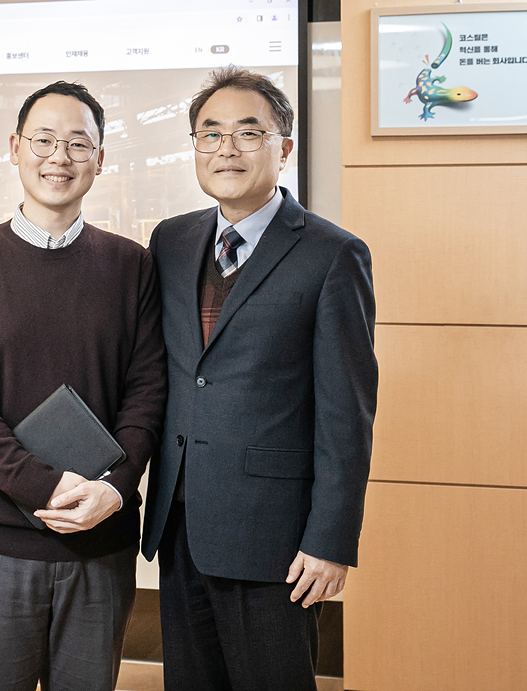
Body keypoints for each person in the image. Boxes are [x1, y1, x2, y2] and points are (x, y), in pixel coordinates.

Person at [141, 66, 377, 690]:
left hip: (275, 536)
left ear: (284, 148)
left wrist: (330, 540)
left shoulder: (332, 253)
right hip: (180, 522)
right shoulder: (171, 241)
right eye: (210, 133)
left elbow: (347, 414)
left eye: (249, 132)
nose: (227, 148)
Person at [0, 80, 167, 691]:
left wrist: (114, 488)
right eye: (44, 140)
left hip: (99, 539)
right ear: (15, 148)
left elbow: (147, 391)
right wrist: (45, 484)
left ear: (100, 159)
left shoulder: (132, 265)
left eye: (78, 143)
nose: (60, 157)